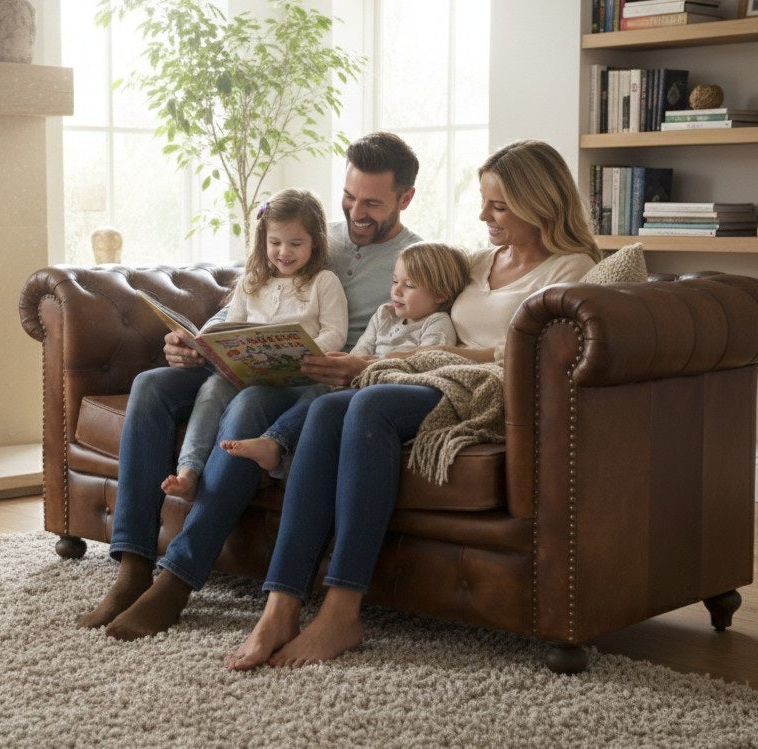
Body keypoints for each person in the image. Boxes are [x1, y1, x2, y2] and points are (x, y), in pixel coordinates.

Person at [223, 139, 602, 670]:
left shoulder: (572, 267)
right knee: (332, 407)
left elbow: (530, 348)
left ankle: (341, 610)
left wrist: (430, 354)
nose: (483, 216)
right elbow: (418, 301)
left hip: (480, 387)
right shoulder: (476, 262)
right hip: (423, 373)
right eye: (483, 202)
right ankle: (281, 604)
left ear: (540, 202)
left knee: (369, 404)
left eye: (498, 206)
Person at [76, 131, 422, 640]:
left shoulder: (417, 259)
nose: (356, 211)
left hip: (313, 382)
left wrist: (355, 363)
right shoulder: (311, 234)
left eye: (372, 202)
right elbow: (250, 300)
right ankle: (132, 567)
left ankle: (178, 578)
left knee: (249, 406)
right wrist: (194, 343)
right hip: (253, 360)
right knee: (151, 384)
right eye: (350, 197)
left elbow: (423, 336)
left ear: (405, 199)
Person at [159, 188, 347, 501]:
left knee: (250, 399)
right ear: (263, 241)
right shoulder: (251, 281)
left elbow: (335, 332)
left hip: (298, 377)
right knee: (211, 390)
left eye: (296, 243)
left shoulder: (324, 282)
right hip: (248, 374)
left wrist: (306, 352)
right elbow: (231, 328)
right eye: (275, 242)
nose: (284, 251)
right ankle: (188, 470)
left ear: (315, 242)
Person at [221, 241, 471, 472]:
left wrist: (364, 367)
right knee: (320, 389)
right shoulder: (384, 314)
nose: (397, 291)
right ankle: (277, 446)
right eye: (395, 281)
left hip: (389, 387)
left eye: (409, 285)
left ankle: (275, 444)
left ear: (440, 295)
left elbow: (427, 364)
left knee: (325, 401)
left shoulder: (437, 323)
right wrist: (344, 365)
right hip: (361, 378)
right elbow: (361, 349)